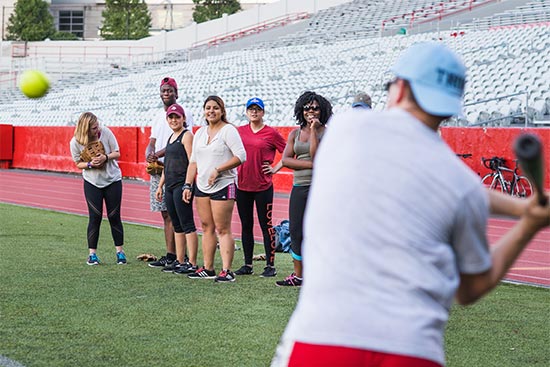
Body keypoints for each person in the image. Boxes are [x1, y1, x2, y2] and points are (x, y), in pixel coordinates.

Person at [271, 42, 550, 366]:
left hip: (323, 339)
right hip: (414, 349)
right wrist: (528, 220)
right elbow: (472, 287)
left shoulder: (348, 130)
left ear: (399, 87)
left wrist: (523, 209)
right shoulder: (460, 183)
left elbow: (413, 175)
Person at [184, 95, 246, 282]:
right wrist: (188, 184)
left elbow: (241, 156)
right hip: (202, 186)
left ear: (222, 111)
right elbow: (193, 161)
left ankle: (227, 271)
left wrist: (218, 169)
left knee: (222, 228)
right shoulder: (200, 133)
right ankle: (208, 268)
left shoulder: (228, 130)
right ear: (204, 111)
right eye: (208, 107)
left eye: (215, 108)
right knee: (206, 227)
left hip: (223, 184)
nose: (211, 111)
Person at [275, 91, 332, 287]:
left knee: (319, 231)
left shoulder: (327, 132)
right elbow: (285, 160)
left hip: (320, 188)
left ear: (322, 110)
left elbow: (317, 156)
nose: (311, 111)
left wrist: (315, 131)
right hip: (299, 187)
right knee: (296, 231)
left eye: (315, 107)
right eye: (307, 108)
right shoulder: (295, 133)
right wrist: (310, 166)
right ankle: (299, 276)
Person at [234, 97, 287, 277]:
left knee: (266, 226)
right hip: (242, 186)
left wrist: (275, 168)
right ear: (247, 112)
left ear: (263, 112)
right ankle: (247, 265)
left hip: (263, 186)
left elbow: (288, 151)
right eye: (251, 109)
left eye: (257, 109)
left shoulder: (271, 133)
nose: (254, 112)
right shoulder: (239, 131)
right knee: (246, 225)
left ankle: (270, 266)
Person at [146, 77, 195, 270]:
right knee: (167, 214)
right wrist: (149, 154)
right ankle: (172, 256)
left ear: (176, 92)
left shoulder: (185, 115)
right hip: (163, 171)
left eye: (169, 90)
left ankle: (186, 260)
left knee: (182, 219)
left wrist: (157, 154)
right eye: (163, 91)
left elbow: (183, 143)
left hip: (179, 172)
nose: (166, 94)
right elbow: (153, 140)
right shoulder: (159, 117)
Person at [69, 112, 126, 265]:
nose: (97, 129)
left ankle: (120, 252)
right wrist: (89, 164)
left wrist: (105, 157)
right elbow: (78, 163)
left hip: (112, 179)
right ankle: (92, 255)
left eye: (97, 126)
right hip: (92, 182)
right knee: (95, 217)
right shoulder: (75, 142)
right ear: (85, 129)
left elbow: (117, 152)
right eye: (93, 128)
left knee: (114, 216)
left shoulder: (105, 132)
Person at [155, 103, 199, 275]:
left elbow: (192, 161)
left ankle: (192, 263)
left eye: (177, 117)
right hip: (170, 186)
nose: (174, 120)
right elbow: (167, 166)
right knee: (177, 226)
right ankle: (180, 260)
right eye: (171, 117)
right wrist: (160, 186)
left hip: (182, 184)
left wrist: (188, 185)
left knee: (187, 224)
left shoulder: (187, 136)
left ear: (183, 119)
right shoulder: (171, 137)